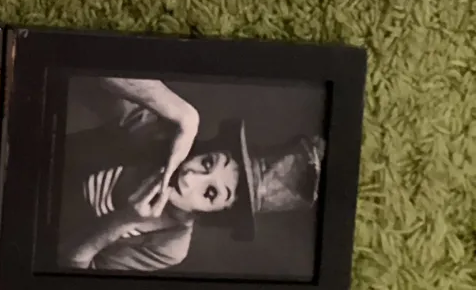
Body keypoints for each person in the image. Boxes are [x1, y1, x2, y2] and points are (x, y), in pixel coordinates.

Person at [54, 76, 325, 272]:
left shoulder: (169, 246)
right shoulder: (153, 135)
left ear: (217, 213)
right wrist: (186, 115)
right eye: (207, 163)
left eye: (211, 192)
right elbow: (91, 69)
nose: (189, 177)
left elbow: (67, 274)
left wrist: (119, 221)